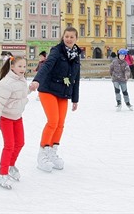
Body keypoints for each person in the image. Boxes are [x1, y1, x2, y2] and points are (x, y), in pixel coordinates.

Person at [29, 27, 80, 172]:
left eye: (72, 37)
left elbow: (76, 78)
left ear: (76, 39)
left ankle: (52, 152)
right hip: (48, 89)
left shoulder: (76, 55)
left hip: (63, 92)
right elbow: (47, 66)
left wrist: (75, 99)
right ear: (63, 37)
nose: (69, 39)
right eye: (67, 36)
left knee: (60, 124)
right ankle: (42, 154)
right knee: (53, 122)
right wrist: (37, 80)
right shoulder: (56, 51)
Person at [0, 55, 30, 189]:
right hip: (6, 118)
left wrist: (30, 89)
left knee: (20, 143)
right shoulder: (6, 83)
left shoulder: (22, 80)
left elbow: (20, 95)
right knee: (9, 145)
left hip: (17, 117)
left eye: (24, 66)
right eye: (20, 66)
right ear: (12, 67)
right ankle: (2, 174)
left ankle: (11, 165)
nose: (23, 69)